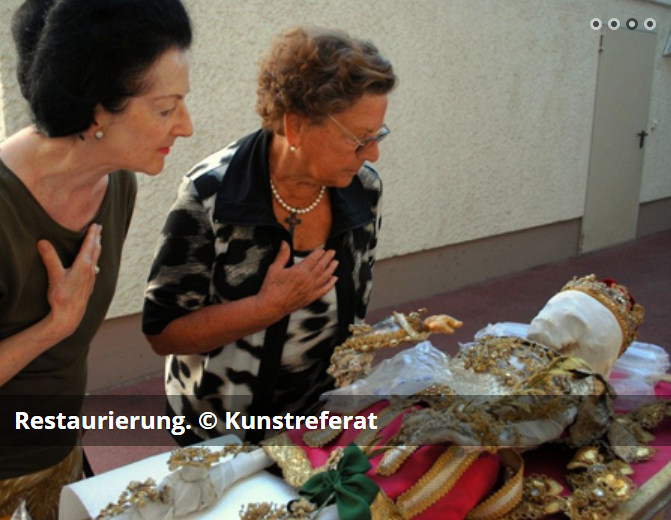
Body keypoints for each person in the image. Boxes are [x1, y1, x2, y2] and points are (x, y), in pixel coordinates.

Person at [143, 26, 397, 444]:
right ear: (295, 127)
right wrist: (267, 307)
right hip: (221, 432)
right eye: (359, 139)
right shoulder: (210, 195)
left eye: (378, 135)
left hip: (317, 423)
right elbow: (163, 332)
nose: (373, 154)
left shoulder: (364, 189)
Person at [0, 0, 193, 518]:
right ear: (98, 110)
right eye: (166, 109)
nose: (186, 127)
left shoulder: (116, 182)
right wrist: (55, 325)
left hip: (57, 454)